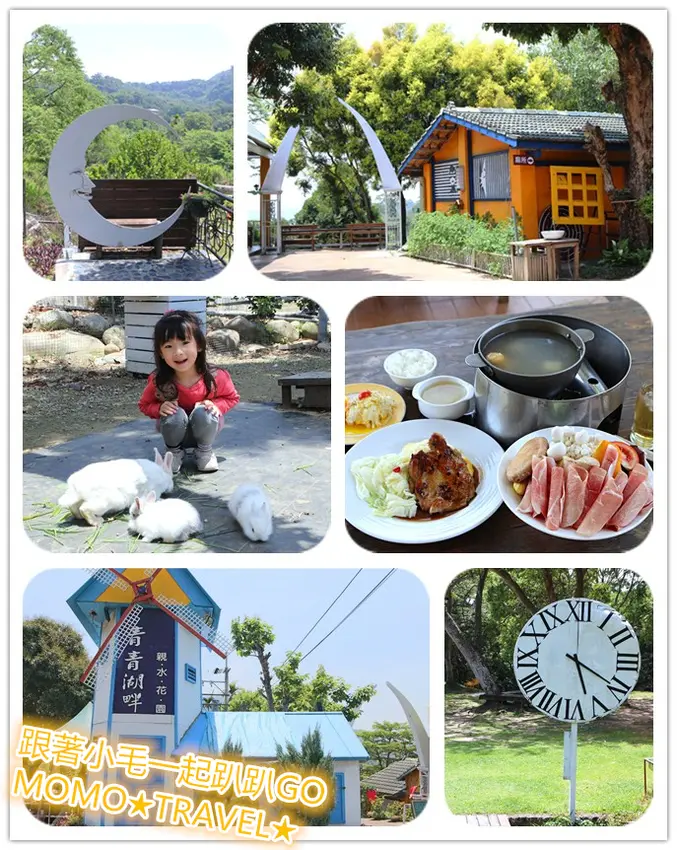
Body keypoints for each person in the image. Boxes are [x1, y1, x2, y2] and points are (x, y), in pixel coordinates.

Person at [138, 310, 240, 473]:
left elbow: (232, 398)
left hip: (205, 429)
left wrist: (216, 406)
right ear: (160, 353)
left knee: (205, 411)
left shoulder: (216, 376)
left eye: (185, 342)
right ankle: (173, 453)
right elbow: (144, 405)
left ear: (199, 345)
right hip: (174, 432)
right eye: (168, 346)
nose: (178, 352)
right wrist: (159, 408)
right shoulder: (158, 380)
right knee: (174, 413)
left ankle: (204, 452)